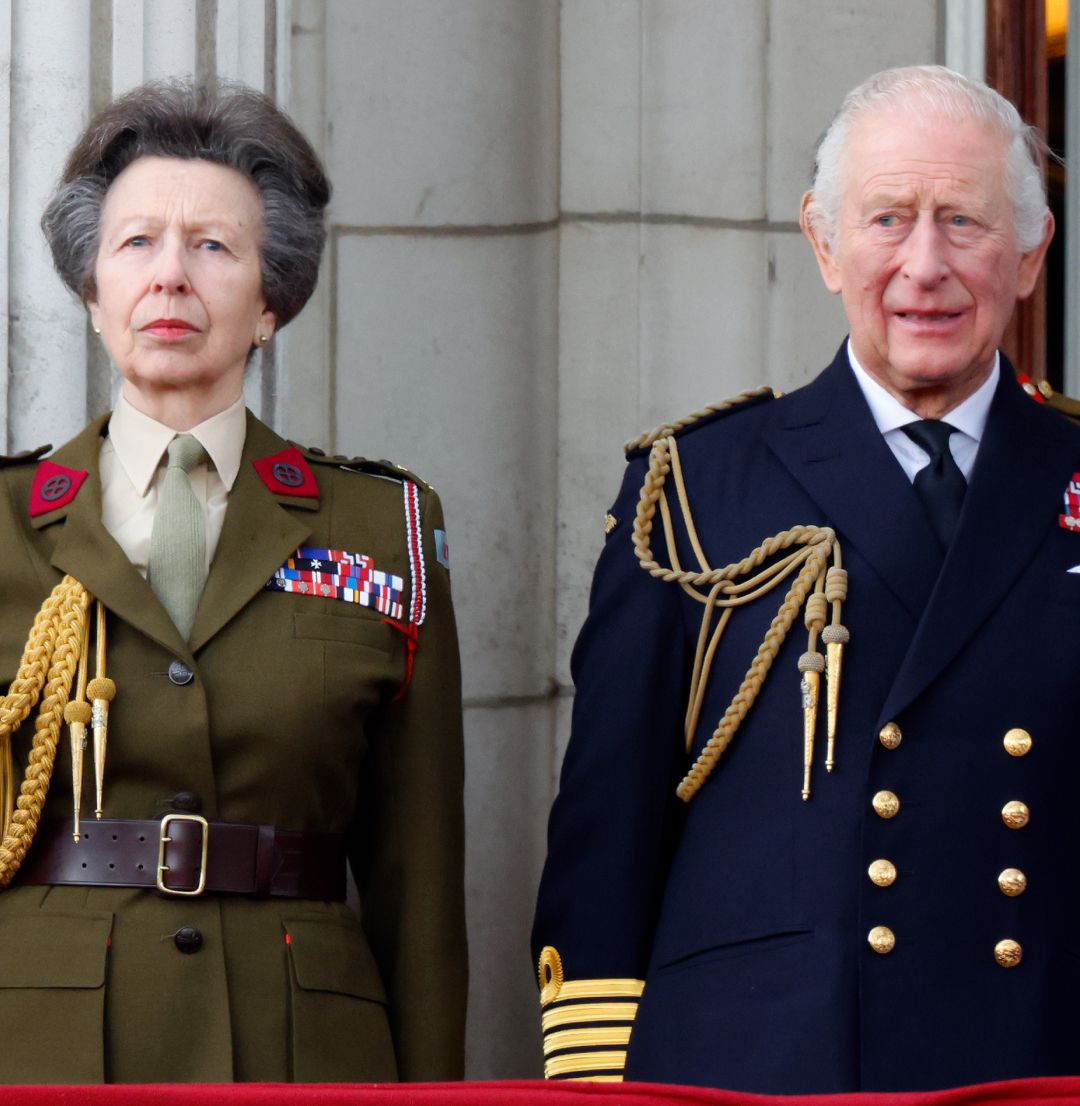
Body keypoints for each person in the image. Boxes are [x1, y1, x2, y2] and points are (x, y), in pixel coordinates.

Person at [532, 65, 1080, 1093]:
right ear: (824, 244)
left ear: (1031, 255)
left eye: (964, 221)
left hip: (1038, 1054)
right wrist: (603, 1079)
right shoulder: (690, 491)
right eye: (887, 218)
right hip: (764, 1065)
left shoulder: (1073, 476)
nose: (926, 265)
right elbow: (609, 835)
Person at [0, 81, 465, 1084]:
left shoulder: (383, 529)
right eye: (136, 244)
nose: (172, 276)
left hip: (302, 1045)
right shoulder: (0, 522)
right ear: (91, 292)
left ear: (269, 301)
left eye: (213, 246)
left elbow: (418, 887)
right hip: (40, 1044)